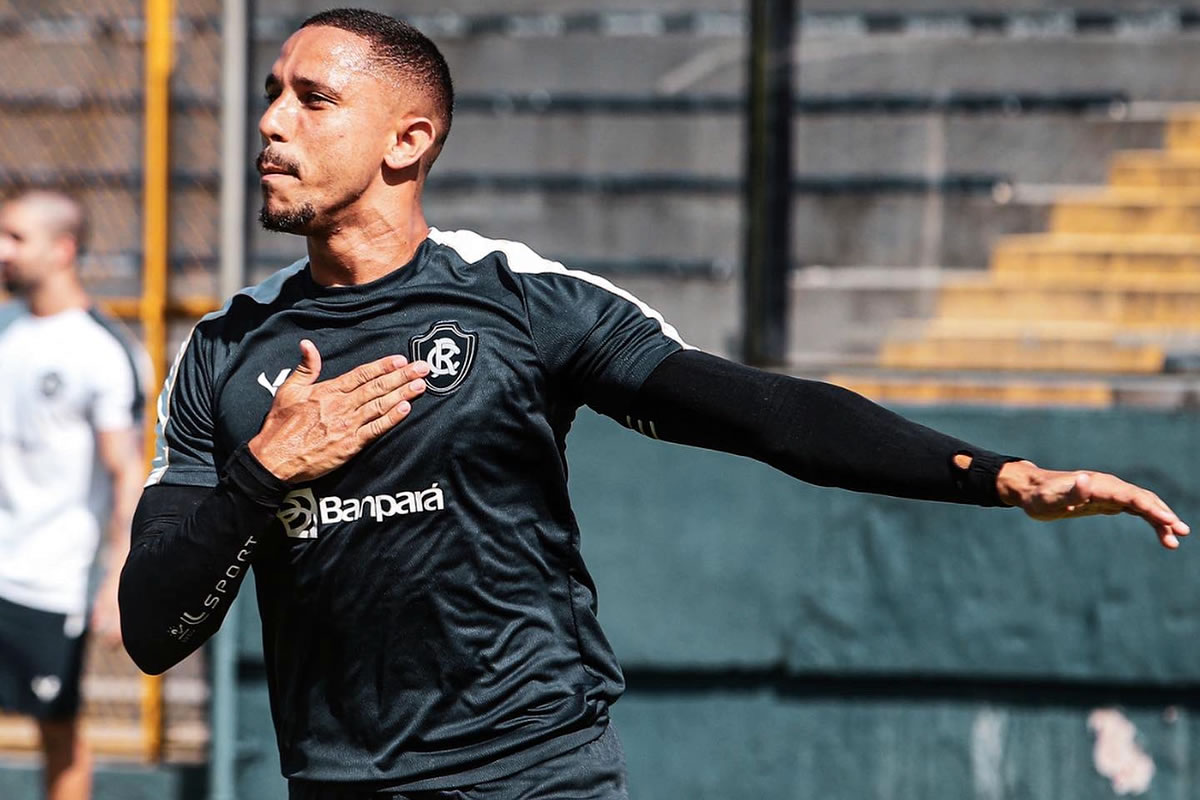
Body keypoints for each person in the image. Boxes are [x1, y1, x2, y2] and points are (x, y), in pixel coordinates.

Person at [118, 9, 1190, 800]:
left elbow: (763, 414)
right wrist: (265, 473)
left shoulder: (522, 301)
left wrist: (999, 475)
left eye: (312, 99)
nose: (271, 123)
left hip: (533, 769)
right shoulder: (223, 353)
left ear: (409, 140)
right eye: (271, 92)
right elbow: (154, 630)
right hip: (336, 782)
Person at [0, 190, 148, 800]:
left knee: (57, 730)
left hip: (50, 581)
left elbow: (126, 472)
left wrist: (117, 580)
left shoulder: (102, 349)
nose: (2, 250)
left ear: (62, 249)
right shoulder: (6, 329)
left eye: (15, 237)